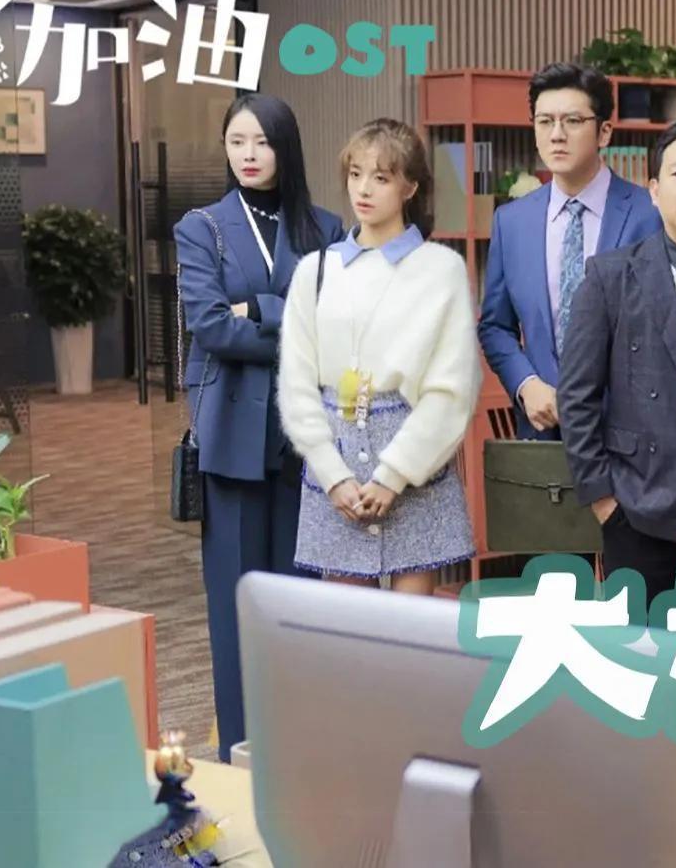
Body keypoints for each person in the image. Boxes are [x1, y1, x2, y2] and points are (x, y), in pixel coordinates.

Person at [172, 92, 343, 762]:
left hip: (305, 442)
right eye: (237, 141)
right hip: (232, 442)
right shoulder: (202, 227)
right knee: (237, 606)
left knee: (301, 605)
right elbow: (211, 326)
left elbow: (335, 325)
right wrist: (290, 318)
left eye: (262, 142)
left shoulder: (324, 227)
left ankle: (299, 752)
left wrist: (257, 309)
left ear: (285, 148)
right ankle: (241, 754)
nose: (248, 154)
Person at [279, 119, 483, 595]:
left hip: (416, 463)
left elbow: (451, 389)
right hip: (337, 455)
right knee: (349, 628)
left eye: (381, 177)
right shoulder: (316, 270)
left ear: (410, 187)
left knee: (411, 628)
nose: (363, 189)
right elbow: (296, 384)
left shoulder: (441, 269)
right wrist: (332, 476)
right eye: (355, 174)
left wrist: (394, 475)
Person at [558, 120, 676, 609]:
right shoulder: (610, 277)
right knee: (641, 647)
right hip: (639, 507)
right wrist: (603, 499)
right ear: (653, 190)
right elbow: (577, 397)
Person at [478, 62, 664, 439]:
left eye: (573, 121)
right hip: (542, 432)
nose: (557, 135)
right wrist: (526, 384)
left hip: (629, 436)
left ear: (604, 132)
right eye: (545, 121)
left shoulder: (650, 214)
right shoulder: (511, 222)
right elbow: (495, 326)